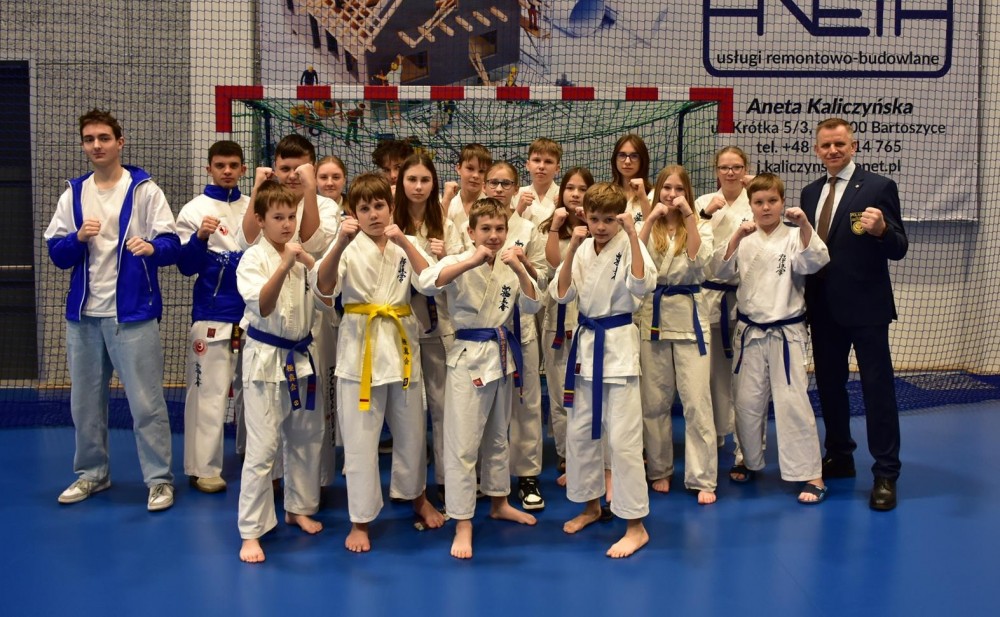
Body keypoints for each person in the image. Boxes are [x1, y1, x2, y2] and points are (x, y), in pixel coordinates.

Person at [45, 109, 179, 512]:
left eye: (104, 138)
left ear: (120, 142)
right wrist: (76, 238)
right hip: (83, 318)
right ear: (83, 145)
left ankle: (159, 480)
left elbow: (171, 243)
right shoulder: (73, 193)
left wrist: (152, 248)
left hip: (133, 315)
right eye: (89, 139)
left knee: (146, 403)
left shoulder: (145, 191)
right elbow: (57, 253)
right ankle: (92, 474)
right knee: (84, 403)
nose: (96, 145)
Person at [317, 172, 445, 552]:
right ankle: (360, 519)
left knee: (412, 433)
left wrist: (404, 239)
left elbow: (431, 281)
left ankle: (416, 496)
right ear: (353, 213)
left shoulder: (406, 243)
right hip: (360, 350)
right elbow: (324, 288)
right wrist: (339, 243)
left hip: (402, 348)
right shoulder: (345, 246)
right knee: (360, 441)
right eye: (364, 208)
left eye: (379, 206)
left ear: (391, 208)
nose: (373, 214)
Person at [419, 198, 542, 560]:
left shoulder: (509, 264)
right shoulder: (458, 259)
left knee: (499, 436)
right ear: (470, 232)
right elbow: (427, 283)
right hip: (468, 359)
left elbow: (534, 304)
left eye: (499, 229)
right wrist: (470, 261)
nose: (493, 235)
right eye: (485, 229)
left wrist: (521, 268)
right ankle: (462, 520)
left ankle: (499, 501)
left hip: (501, 356)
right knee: (463, 443)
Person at [801, 117, 908, 511]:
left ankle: (886, 472)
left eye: (840, 144)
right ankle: (840, 455)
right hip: (823, 308)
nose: (833, 150)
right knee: (830, 386)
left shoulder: (879, 187)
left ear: (854, 146)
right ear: (817, 150)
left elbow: (899, 247)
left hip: (866, 308)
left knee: (877, 390)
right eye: (826, 145)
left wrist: (882, 231)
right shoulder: (810, 192)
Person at [551, 182, 655, 558]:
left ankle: (636, 525)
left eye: (609, 220)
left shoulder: (629, 243)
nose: (600, 226)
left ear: (620, 217)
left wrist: (633, 234)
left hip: (618, 348)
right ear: (585, 216)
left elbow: (641, 285)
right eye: (594, 218)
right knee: (581, 434)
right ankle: (591, 506)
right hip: (585, 348)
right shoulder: (582, 248)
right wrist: (571, 249)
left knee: (624, 441)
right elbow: (562, 294)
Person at [716, 173, 829, 504]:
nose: (766, 207)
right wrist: (735, 236)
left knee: (793, 403)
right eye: (759, 202)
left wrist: (805, 224)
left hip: (786, 333)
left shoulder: (794, 235)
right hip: (749, 332)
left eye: (772, 201)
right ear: (750, 205)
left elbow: (815, 261)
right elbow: (719, 272)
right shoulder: (745, 237)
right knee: (747, 401)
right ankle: (747, 459)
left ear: (782, 203)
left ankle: (811, 473)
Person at [236, 180, 331, 564]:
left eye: (291, 216)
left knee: (306, 437)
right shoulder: (252, 260)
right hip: (265, 361)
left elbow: (327, 301)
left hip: (302, 357)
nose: (287, 224)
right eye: (278, 217)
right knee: (263, 449)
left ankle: (298, 508)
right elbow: (262, 305)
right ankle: (251, 530)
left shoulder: (301, 257)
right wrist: (286, 264)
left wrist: (310, 264)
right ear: (260, 220)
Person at [636, 165, 717, 504]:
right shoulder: (647, 224)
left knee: (697, 400)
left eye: (678, 189)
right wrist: (650, 219)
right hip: (653, 317)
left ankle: (702, 477)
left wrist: (689, 217)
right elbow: (633, 259)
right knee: (654, 401)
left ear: (687, 192)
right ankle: (659, 469)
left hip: (690, 318)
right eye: (666, 188)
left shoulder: (700, 225)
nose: (672, 194)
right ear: (657, 191)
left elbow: (699, 261)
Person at [176, 140, 250, 494]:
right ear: (209, 168)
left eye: (233, 165)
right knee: (209, 393)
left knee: (254, 392)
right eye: (220, 165)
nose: (227, 171)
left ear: (243, 169)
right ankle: (202, 467)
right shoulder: (194, 210)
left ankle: (253, 455)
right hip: (212, 314)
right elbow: (185, 266)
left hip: (254, 315)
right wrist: (200, 238)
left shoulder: (253, 207)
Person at [393, 154, 466, 505]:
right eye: (412, 179)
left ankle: (448, 484)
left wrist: (445, 255)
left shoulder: (446, 225)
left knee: (443, 408)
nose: (419, 187)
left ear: (434, 183)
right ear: (401, 183)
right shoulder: (389, 223)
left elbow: (461, 276)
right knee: (405, 412)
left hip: (440, 327)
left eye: (425, 180)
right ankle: (410, 488)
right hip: (399, 328)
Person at [485, 162, 549, 510]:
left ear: (515, 188)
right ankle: (487, 477)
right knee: (486, 406)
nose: (498, 188)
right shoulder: (472, 225)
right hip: (482, 332)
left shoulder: (527, 228)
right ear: (485, 186)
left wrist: (525, 263)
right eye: (493, 182)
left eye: (505, 183)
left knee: (526, 403)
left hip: (520, 326)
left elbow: (543, 279)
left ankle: (527, 475)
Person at [694, 146, 755, 475]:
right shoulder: (704, 202)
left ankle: (744, 448)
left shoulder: (755, 200)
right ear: (716, 170)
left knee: (742, 379)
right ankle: (716, 435)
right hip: (708, 297)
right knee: (709, 376)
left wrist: (758, 189)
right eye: (724, 167)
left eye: (737, 167)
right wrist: (705, 214)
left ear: (745, 169)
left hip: (745, 297)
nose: (730, 173)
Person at [540, 167, 593, 485]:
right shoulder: (550, 226)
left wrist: (587, 224)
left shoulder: (598, 226)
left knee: (586, 393)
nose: (575, 194)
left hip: (588, 320)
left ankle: (587, 452)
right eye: (570, 188)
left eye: (582, 189)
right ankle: (564, 452)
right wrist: (555, 228)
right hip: (557, 319)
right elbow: (552, 266)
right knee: (560, 393)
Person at [444, 143, 492, 247]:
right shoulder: (447, 204)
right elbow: (437, 233)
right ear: (458, 168)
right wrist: (446, 200)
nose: (475, 175)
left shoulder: (493, 207)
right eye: (470, 168)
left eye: (482, 171)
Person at [514, 138, 562, 227]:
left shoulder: (564, 197)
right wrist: (518, 210)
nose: (541, 166)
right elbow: (507, 230)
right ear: (528, 165)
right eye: (536, 160)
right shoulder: (516, 195)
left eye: (548, 162)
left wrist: (563, 206)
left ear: (557, 168)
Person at [611, 134, 653, 223]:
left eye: (634, 156)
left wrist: (642, 198)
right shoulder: (607, 193)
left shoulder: (652, 194)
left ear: (642, 160)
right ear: (615, 159)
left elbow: (654, 228)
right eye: (622, 155)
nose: (627, 161)